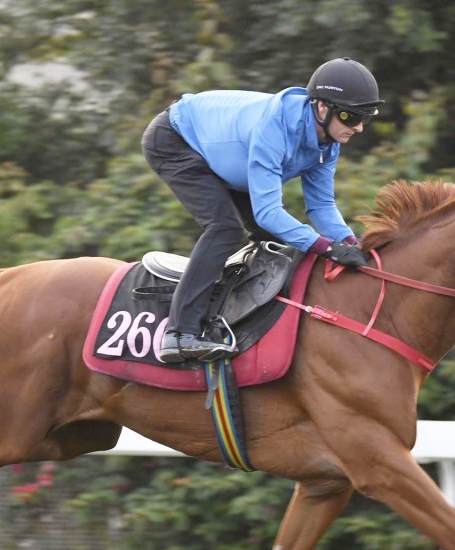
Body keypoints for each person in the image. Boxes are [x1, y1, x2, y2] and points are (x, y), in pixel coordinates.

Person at [141, 57, 382, 363]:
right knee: (225, 229)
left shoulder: (329, 143)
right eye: (351, 116)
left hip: (224, 157)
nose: (358, 128)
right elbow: (268, 211)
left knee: (278, 237)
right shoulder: (274, 128)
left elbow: (321, 206)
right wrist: (325, 248)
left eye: (365, 118)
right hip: (175, 140)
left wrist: (350, 244)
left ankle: (233, 313)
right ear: (323, 107)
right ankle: (179, 334)